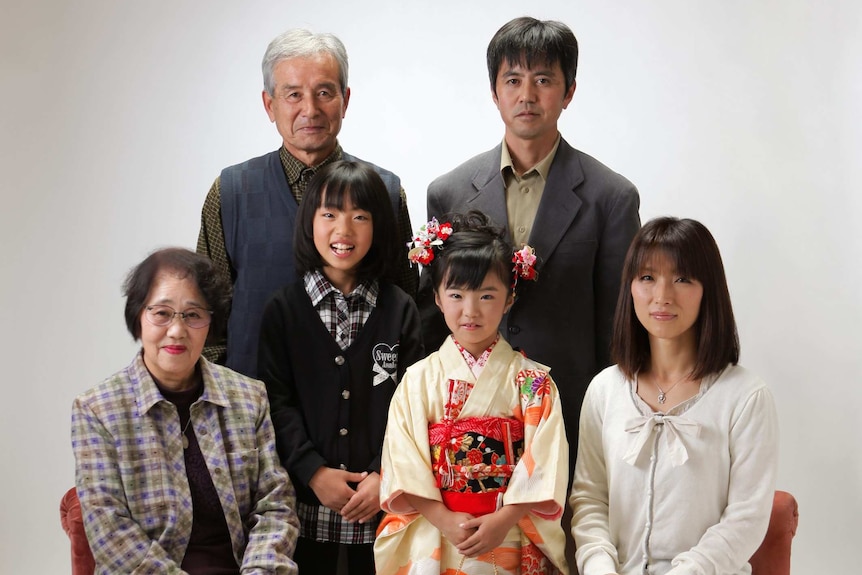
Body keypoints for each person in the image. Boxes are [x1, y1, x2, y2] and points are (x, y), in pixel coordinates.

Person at [421, 15, 640, 469]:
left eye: (543, 80)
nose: (527, 95)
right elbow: (434, 311)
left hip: (568, 412)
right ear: (494, 91)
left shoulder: (610, 197)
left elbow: (618, 326)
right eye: (513, 80)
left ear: (569, 91)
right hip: (463, 416)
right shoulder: (449, 192)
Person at [197, 28, 417, 378]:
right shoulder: (231, 192)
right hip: (255, 412)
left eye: (324, 93)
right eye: (293, 94)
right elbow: (205, 315)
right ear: (270, 105)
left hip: (360, 412)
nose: (310, 109)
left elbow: (408, 312)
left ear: (345, 99)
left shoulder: (385, 194)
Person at [570, 217, 779, 574]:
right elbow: (589, 500)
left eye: (682, 278)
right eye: (648, 278)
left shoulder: (746, 397)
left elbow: (747, 517)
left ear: (707, 290)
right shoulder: (605, 390)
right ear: (630, 287)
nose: (662, 296)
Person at [70, 248, 299, 574]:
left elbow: (275, 505)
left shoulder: (249, 397)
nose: (177, 331)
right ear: (138, 316)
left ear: (211, 322)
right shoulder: (97, 410)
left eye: (193, 315)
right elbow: (108, 528)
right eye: (162, 313)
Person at [375, 211, 569, 575]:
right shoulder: (417, 379)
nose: (470, 310)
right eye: (456, 294)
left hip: (509, 531)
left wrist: (503, 519)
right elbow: (403, 462)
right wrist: (443, 519)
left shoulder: (533, 381)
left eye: (487, 295)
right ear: (436, 297)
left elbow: (547, 460)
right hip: (437, 532)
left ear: (509, 299)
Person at [257, 161, 425, 575]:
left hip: (384, 507)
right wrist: (312, 471)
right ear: (309, 222)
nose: (343, 230)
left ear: (379, 226)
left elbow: (414, 404)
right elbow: (275, 402)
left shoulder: (400, 309)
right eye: (329, 214)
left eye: (360, 216)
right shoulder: (284, 310)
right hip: (304, 507)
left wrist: (384, 474)